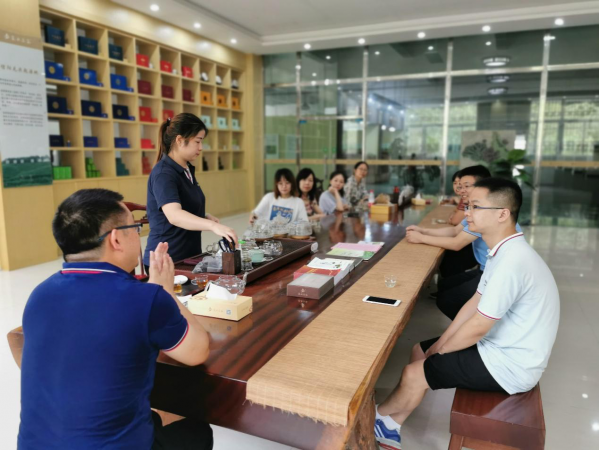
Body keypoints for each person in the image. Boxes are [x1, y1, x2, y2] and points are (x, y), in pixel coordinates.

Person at [18, 189, 213, 450]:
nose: (139, 236)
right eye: (135, 228)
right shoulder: (146, 298)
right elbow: (198, 351)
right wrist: (166, 291)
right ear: (116, 239)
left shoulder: (39, 294)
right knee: (196, 431)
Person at [374, 178, 560, 450]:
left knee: (414, 372)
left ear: (502, 214)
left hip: (511, 365)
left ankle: (380, 418)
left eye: (475, 206)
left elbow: (478, 327)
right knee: (419, 350)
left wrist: (441, 350)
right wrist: (439, 345)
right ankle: (393, 421)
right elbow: (474, 302)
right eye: (468, 206)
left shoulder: (512, 262)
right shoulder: (503, 250)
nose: (467, 213)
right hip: (501, 346)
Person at [407, 166, 521, 319]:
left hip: (493, 272)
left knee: (447, 299)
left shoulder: (487, 214)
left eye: (467, 186)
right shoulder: (476, 209)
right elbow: (455, 230)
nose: (461, 190)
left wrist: (421, 238)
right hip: (485, 267)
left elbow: (457, 243)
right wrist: (423, 231)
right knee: (444, 285)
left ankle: (479, 327)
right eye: (460, 186)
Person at [144, 113, 237, 269]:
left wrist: (203, 215)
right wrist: (212, 226)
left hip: (188, 256)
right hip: (167, 260)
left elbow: (183, 204)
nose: (201, 147)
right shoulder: (163, 174)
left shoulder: (185, 169)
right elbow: (174, 215)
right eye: (197, 141)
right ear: (180, 140)